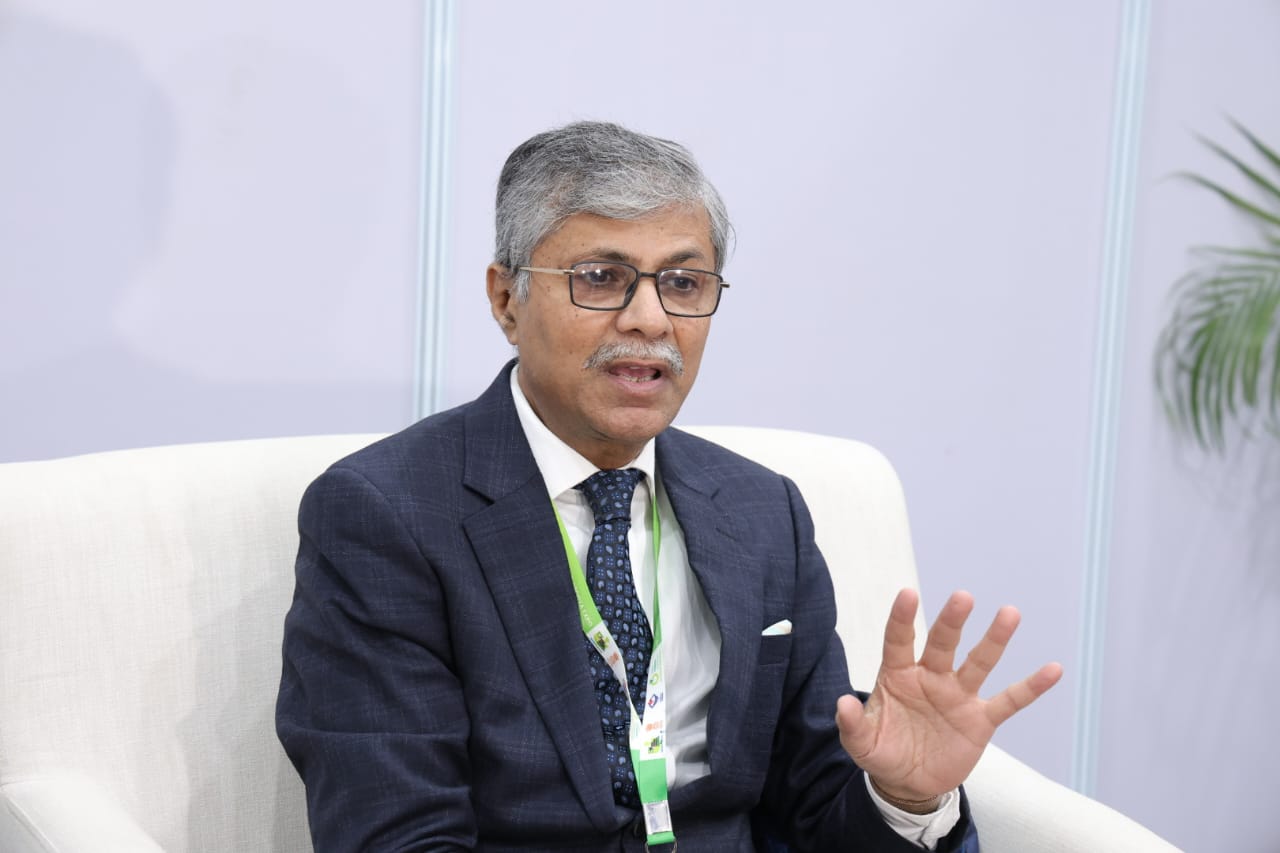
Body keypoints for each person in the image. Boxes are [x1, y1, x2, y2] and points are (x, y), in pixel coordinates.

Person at [276, 121, 1062, 852]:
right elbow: (398, 832)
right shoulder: (388, 513)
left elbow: (816, 807)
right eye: (601, 277)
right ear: (506, 299)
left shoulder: (764, 512)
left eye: (684, 283)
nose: (650, 319)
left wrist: (903, 794)